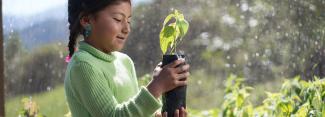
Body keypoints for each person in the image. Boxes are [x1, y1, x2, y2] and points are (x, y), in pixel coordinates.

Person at [64, 0, 190, 117]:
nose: (127, 29)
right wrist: (157, 86)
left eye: (128, 21)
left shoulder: (124, 61)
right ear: (86, 20)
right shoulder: (82, 65)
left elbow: (133, 111)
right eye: (118, 19)